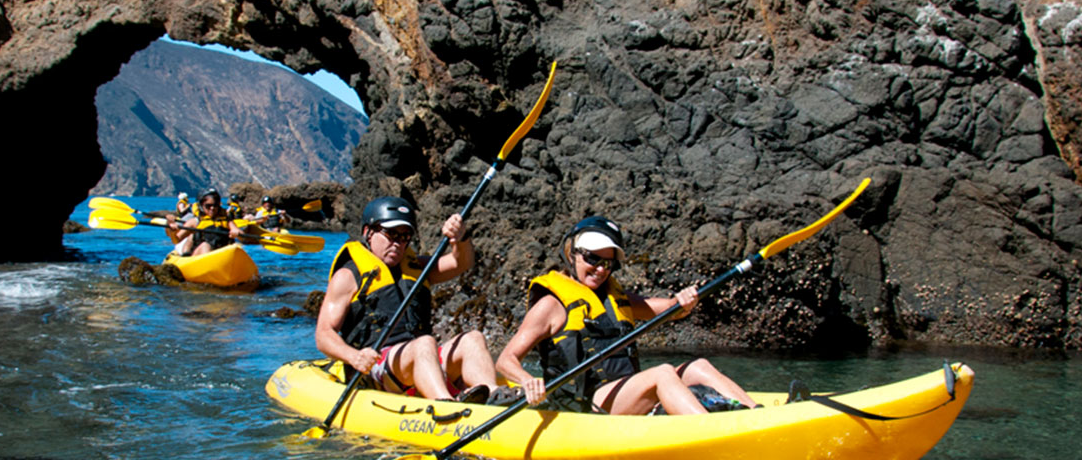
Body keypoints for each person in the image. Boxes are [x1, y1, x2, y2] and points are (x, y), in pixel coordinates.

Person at [496, 216, 759, 415]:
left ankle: (757, 415)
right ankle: (712, 434)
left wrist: (684, 301)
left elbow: (669, 310)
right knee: (663, 373)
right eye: (592, 258)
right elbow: (505, 360)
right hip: (584, 405)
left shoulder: (615, 298)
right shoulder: (551, 306)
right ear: (571, 253)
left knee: (697, 367)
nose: (600, 269)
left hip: (625, 392)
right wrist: (528, 381)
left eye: (607, 263)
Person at [315, 196, 517, 404]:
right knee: (424, 343)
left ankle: (494, 395)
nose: (397, 243)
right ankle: (445, 403)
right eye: (390, 234)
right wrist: (353, 357)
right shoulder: (348, 276)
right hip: (376, 366)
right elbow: (323, 335)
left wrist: (460, 237)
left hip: (420, 357)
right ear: (368, 232)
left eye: (404, 236)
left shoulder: (416, 268)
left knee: (472, 339)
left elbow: (461, 262)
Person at [166, 190, 244, 257]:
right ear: (201, 206)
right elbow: (176, 240)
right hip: (200, 255)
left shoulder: (227, 221)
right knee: (205, 246)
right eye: (208, 206)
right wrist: (172, 231)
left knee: (236, 247)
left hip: (221, 256)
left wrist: (238, 233)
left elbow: (240, 234)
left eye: (215, 205)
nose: (212, 208)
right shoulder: (194, 222)